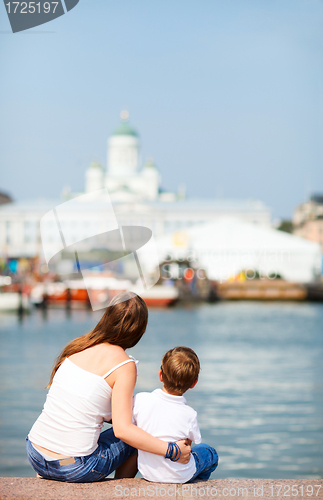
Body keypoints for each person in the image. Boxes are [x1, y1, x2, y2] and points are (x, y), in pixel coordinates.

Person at [26, 292, 191, 482]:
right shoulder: (124, 365)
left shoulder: (79, 347)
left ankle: (49, 471)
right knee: (139, 431)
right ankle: (120, 490)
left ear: (107, 317)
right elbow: (123, 430)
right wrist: (172, 451)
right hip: (72, 466)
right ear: (139, 331)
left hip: (35, 452)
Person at [132, 346, 218, 483]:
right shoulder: (190, 414)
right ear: (194, 383)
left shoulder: (140, 400)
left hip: (149, 473)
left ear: (160, 374)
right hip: (180, 475)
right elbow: (189, 443)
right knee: (209, 452)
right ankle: (200, 485)